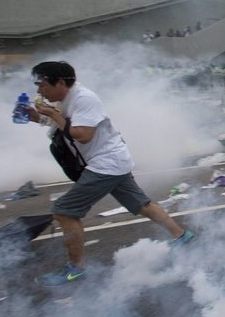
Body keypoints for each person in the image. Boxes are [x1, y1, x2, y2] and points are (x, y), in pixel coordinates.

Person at [26, 61, 195, 286]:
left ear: (60, 82)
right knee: (141, 204)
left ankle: (75, 269)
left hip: (106, 164)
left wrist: (52, 114)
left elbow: (83, 134)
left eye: (42, 85)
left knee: (65, 211)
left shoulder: (84, 98)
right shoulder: (65, 100)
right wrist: (34, 116)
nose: (39, 91)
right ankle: (182, 236)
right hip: (114, 161)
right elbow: (59, 125)